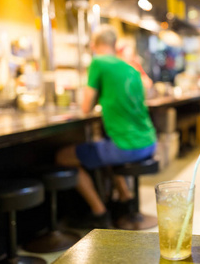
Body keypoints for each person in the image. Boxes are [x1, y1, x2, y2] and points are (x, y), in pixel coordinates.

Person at [56, 25, 157, 228]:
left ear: (94, 45)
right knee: (104, 150)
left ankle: (99, 212)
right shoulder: (131, 68)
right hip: (148, 141)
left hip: (126, 147)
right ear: (114, 45)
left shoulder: (98, 63)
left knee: (63, 157)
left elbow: (85, 107)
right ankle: (126, 200)